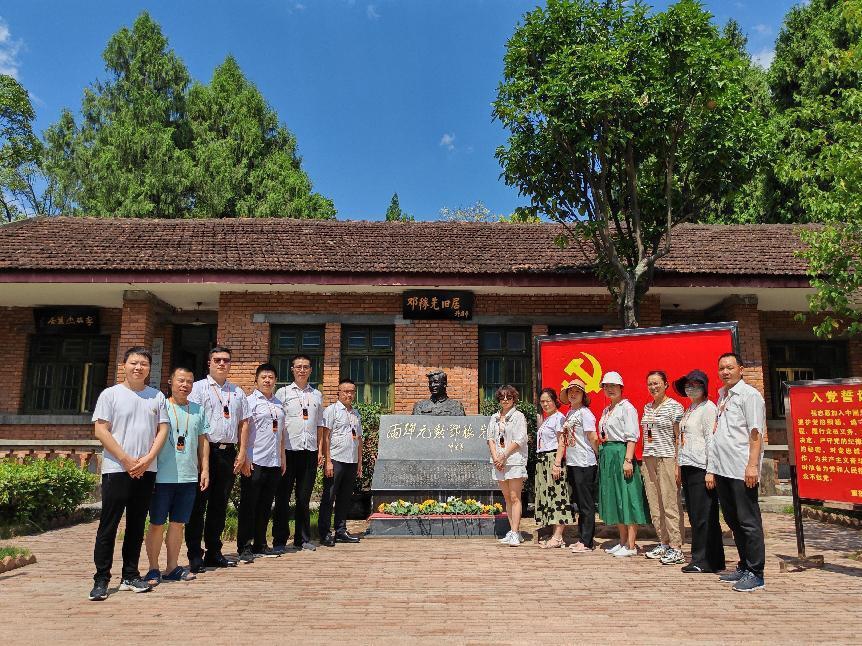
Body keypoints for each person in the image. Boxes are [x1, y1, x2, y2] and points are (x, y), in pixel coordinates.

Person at [89, 346, 169, 601]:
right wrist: (125, 459)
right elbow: (101, 430)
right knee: (109, 525)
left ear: (149, 368)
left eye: (143, 364)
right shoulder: (110, 394)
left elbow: (163, 430)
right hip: (117, 469)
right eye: (134, 363)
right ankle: (101, 579)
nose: (138, 367)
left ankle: (130, 575)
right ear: (124, 365)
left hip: (146, 469)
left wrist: (147, 459)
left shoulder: (157, 396)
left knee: (136, 524)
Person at [185, 345, 251, 572]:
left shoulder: (237, 391)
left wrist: (242, 452)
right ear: (209, 363)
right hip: (204, 452)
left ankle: (214, 551)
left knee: (219, 504)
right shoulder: (198, 389)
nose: (222, 364)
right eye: (217, 360)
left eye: (226, 360)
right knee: (198, 505)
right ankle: (195, 553)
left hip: (228, 453)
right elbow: (193, 422)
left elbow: (244, 423)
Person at [143, 366, 210, 584]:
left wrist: (205, 469)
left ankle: (172, 566)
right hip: (161, 477)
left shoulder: (198, 410)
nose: (185, 385)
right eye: (181, 380)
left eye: (189, 381)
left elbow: (203, 441)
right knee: (156, 523)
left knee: (178, 524)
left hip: (188, 477)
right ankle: (153, 568)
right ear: (170, 382)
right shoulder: (160, 407)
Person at [708, 352, 767, 592]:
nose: (725, 372)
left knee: (748, 521)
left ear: (741, 369)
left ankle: (756, 572)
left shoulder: (749, 395)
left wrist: (752, 465)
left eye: (730, 367)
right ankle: (744, 566)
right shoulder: (723, 396)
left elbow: (756, 433)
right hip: (724, 468)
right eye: (722, 368)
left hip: (742, 470)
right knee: (733, 520)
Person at [673, 369, 725, 574]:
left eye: (695, 385)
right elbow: (682, 439)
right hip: (688, 465)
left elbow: (711, 440)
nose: (691, 388)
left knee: (704, 515)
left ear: (704, 387)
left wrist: (711, 470)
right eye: (688, 385)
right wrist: (679, 465)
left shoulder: (708, 408)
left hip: (701, 467)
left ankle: (703, 559)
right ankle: (710, 559)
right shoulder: (690, 409)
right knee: (695, 515)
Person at [273, 354, 325, 552]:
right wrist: (279, 451)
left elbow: (320, 425)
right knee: (283, 497)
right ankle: (279, 540)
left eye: (306, 367)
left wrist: (320, 450)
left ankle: (302, 539)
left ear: (311, 370)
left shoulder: (317, 395)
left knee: (304, 498)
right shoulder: (283, 393)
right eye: (298, 367)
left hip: (309, 451)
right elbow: (277, 423)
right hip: (288, 451)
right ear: (292, 370)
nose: (302, 370)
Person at [236, 363, 286, 563]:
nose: (267, 380)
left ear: (276, 381)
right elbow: (242, 431)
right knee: (249, 505)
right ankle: (244, 546)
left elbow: (281, 434)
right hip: (254, 460)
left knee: (265, 505)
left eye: (271, 377)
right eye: (264, 377)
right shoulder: (249, 402)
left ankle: (260, 544)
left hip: (273, 461)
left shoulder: (279, 404)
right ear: (256, 380)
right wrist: (244, 457)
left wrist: (282, 458)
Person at [597, 371, 647, 558]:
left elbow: (632, 436)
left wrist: (628, 460)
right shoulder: (607, 410)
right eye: (606, 386)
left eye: (613, 386)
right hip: (608, 454)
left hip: (621, 453)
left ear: (621, 387)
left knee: (627, 496)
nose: (610, 389)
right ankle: (622, 541)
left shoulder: (627, 408)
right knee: (616, 497)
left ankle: (631, 544)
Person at [641, 370, 686, 565]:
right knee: (655, 504)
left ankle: (676, 547)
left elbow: (679, 438)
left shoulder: (675, 407)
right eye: (650, 384)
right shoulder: (647, 407)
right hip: (648, 458)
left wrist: (677, 463)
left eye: (657, 383)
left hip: (667, 458)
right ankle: (663, 542)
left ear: (666, 384)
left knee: (670, 503)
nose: (653, 387)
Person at [319, 378, 364, 546]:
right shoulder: (332, 410)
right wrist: (328, 461)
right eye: (346, 391)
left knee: (345, 498)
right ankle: (324, 533)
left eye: (352, 392)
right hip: (336, 460)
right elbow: (326, 436)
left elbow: (359, 439)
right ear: (339, 392)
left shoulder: (356, 413)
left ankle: (340, 531)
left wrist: (359, 462)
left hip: (351, 461)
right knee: (329, 497)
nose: (349, 395)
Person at [487, 385, 528, 547]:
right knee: (507, 498)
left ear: (514, 399)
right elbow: (490, 439)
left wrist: (503, 455)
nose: (505, 400)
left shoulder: (518, 416)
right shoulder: (494, 417)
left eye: (509, 397)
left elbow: (519, 440)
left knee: (515, 497)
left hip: (514, 461)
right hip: (499, 463)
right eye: (502, 397)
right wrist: (496, 457)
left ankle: (515, 533)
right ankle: (513, 531)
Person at [560, 379, 599, 553]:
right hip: (573, 462)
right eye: (570, 392)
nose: (573, 394)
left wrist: (597, 455)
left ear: (583, 395)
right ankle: (582, 538)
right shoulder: (570, 413)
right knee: (579, 503)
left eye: (577, 391)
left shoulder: (585, 413)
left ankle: (587, 541)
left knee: (586, 504)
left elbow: (593, 437)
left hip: (585, 462)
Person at [534, 388, 574, 548]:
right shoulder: (547, 419)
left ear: (555, 401)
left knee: (558, 497)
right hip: (543, 461)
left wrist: (557, 463)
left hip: (553, 459)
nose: (545, 404)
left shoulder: (559, 418)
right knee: (548, 498)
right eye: (542, 401)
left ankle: (558, 537)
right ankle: (554, 534)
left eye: (548, 401)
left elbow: (562, 442)